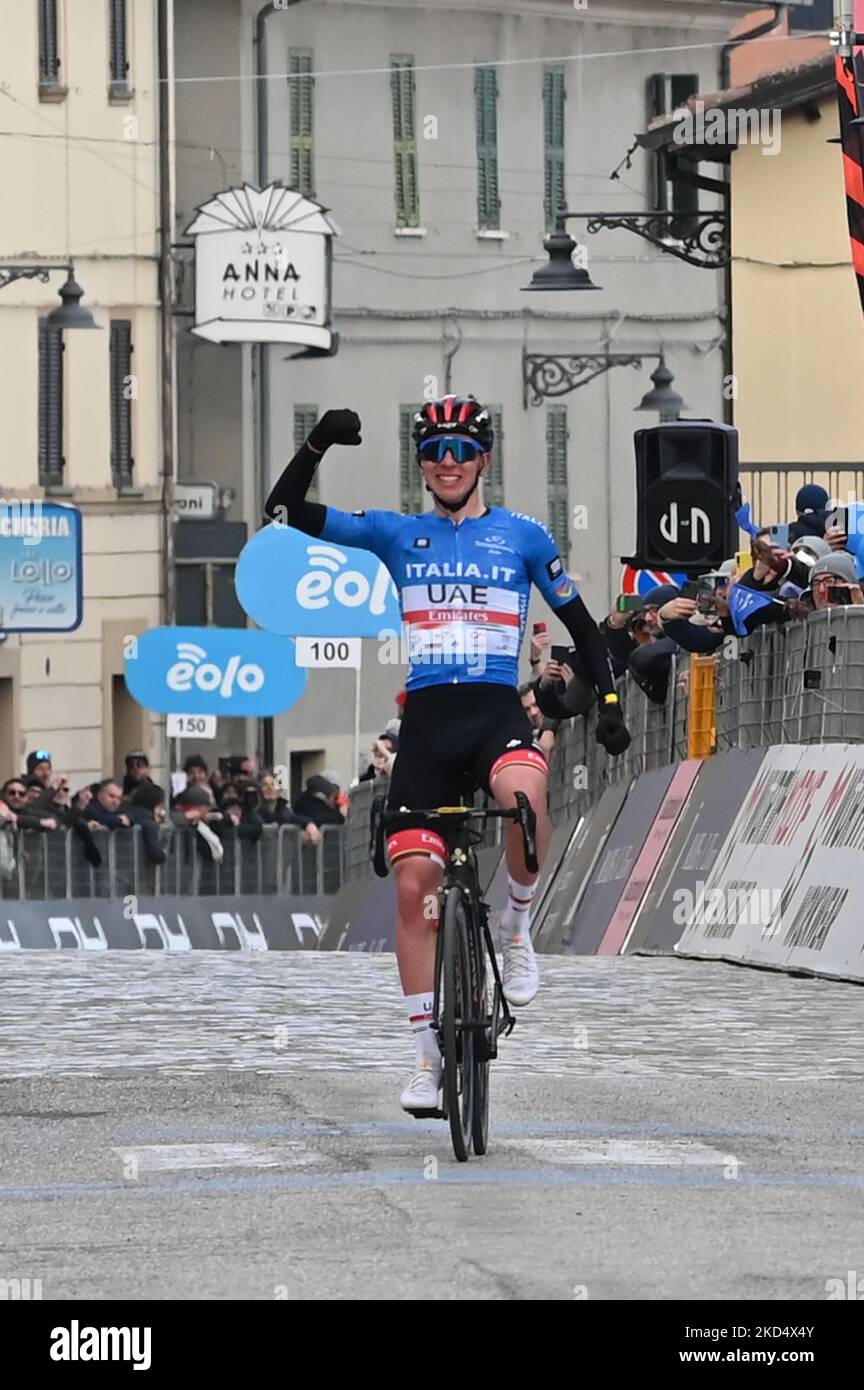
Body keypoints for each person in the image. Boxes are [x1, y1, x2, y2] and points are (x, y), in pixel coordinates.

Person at [265, 397, 630, 1112]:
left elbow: (583, 627)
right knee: (413, 891)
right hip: (428, 724)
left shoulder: (523, 536)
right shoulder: (394, 533)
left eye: (462, 450)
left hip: (495, 712)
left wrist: (610, 702)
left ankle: (517, 928)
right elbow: (282, 511)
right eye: (435, 451)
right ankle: (429, 1063)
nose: (449, 463)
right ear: (422, 465)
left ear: (484, 460)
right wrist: (316, 443)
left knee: (525, 798)